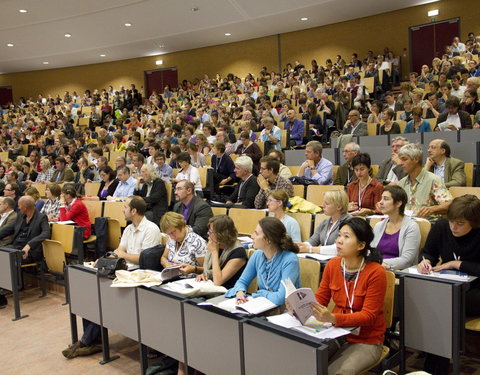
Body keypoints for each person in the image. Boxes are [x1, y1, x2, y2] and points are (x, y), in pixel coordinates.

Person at [62, 196, 161, 360]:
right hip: (123, 269)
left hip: (138, 275)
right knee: (91, 292)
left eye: (125, 207)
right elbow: (119, 250)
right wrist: (107, 259)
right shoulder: (129, 228)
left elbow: (144, 259)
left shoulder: (151, 229)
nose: (123, 209)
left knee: (103, 298)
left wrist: (123, 255)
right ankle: (94, 339)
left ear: (134, 211)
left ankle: (86, 342)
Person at [310, 217, 386, 375]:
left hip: (367, 339)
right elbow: (321, 299)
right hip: (336, 332)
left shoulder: (375, 272)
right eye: (339, 236)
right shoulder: (333, 265)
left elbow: (369, 316)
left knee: (336, 372)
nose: (339, 241)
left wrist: (333, 318)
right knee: (308, 360)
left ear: (361, 245)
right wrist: (301, 305)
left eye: (346, 237)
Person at [417, 195, 480, 375]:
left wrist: (456, 264)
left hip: (475, 290)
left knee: (446, 304)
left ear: (474, 222)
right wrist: (425, 262)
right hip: (448, 286)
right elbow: (428, 251)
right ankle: (434, 357)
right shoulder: (442, 227)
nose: (454, 227)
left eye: (460, 223)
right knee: (435, 298)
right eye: (452, 221)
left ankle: (434, 366)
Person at [225, 217, 300, 306]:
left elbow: (281, 298)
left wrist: (262, 293)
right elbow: (242, 281)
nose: (252, 236)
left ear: (268, 240)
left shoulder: (290, 260)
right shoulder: (258, 255)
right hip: (264, 306)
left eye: (256, 233)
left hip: (288, 311)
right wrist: (240, 291)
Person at [397, 143, 452, 220]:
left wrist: (431, 209)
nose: (399, 163)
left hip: (428, 224)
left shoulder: (433, 179)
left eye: (404, 159)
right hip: (406, 224)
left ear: (416, 159)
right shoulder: (402, 183)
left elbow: (449, 204)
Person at [372, 185, 420, 270]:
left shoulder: (411, 227)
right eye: (381, 198)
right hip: (377, 269)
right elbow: (370, 252)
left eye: (386, 199)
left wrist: (379, 263)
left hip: (399, 272)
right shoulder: (378, 226)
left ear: (398, 203)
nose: (380, 202)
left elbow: (406, 260)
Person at [196, 215, 247, 288]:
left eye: (211, 232)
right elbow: (209, 270)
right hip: (209, 287)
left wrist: (214, 252)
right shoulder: (215, 244)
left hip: (226, 292)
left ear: (221, 235)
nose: (208, 234)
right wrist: (204, 275)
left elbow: (218, 281)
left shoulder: (238, 253)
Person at [297, 190, 350, 255]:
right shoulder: (325, 222)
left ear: (339, 207)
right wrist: (301, 246)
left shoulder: (349, 222)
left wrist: (310, 249)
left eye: (327, 204)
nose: (323, 206)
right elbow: (313, 240)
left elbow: (339, 248)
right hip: (324, 260)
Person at [0, 196, 50, 262]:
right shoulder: (20, 215)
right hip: (15, 247)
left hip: (30, 250)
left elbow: (46, 233)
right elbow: (8, 229)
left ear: (25, 207)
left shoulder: (41, 217)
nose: (18, 208)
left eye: (19, 206)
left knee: (4, 257)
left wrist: (29, 245)